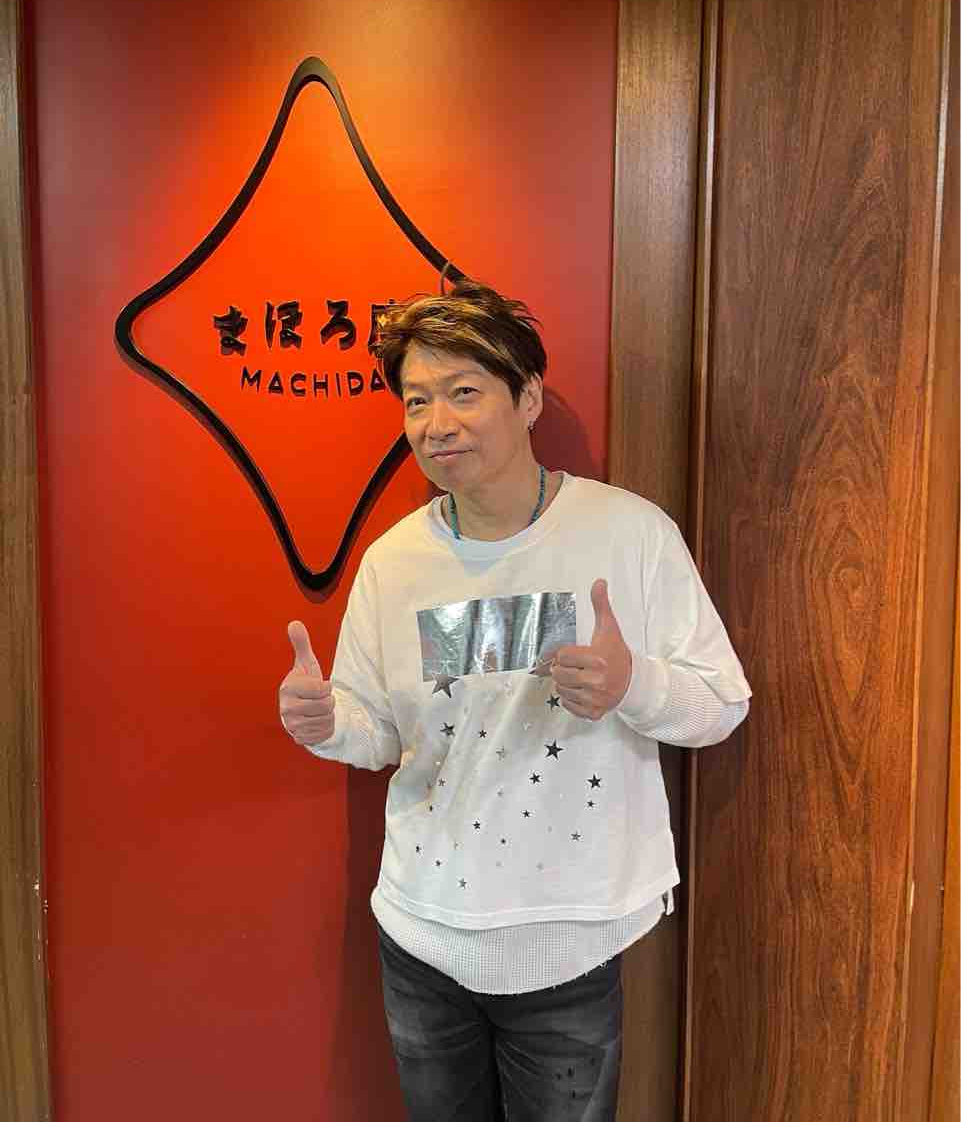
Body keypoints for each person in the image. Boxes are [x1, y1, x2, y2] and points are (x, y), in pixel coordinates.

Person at [278, 279, 750, 1121]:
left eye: (464, 392)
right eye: (416, 400)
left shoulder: (629, 533)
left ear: (527, 398)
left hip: (569, 935)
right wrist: (325, 724)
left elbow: (720, 705)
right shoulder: (394, 562)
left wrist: (632, 684)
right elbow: (375, 731)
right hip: (422, 932)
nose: (436, 423)